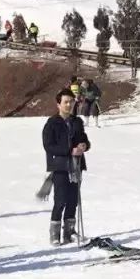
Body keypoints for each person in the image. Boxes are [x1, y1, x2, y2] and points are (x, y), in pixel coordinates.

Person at [42, 88, 90, 245]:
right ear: (58, 104)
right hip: (61, 166)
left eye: (71, 101)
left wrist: (84, 145)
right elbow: (49, 146)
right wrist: (70, 150)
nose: (69, 105)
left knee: (73, 200)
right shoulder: (52, 123)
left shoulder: (77, 122)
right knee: (60, 200)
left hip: (76, 166)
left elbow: (84, 139)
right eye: (66, 102)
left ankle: (69, 232)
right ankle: (54, 233)